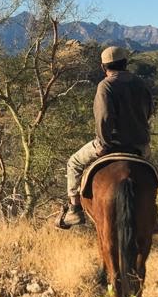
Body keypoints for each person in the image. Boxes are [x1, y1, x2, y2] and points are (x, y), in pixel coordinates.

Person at [60, 45, 153, 228]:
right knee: (151, 174)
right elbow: (149, 110)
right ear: (126, 63)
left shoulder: (106, 85)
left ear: (104, 68)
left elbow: (103, 117)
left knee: (74, 163)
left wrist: (104, 142)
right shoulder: (140, 84)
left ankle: (74, 209)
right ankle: (153, 213)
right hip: (139, 145)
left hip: (110, 143)